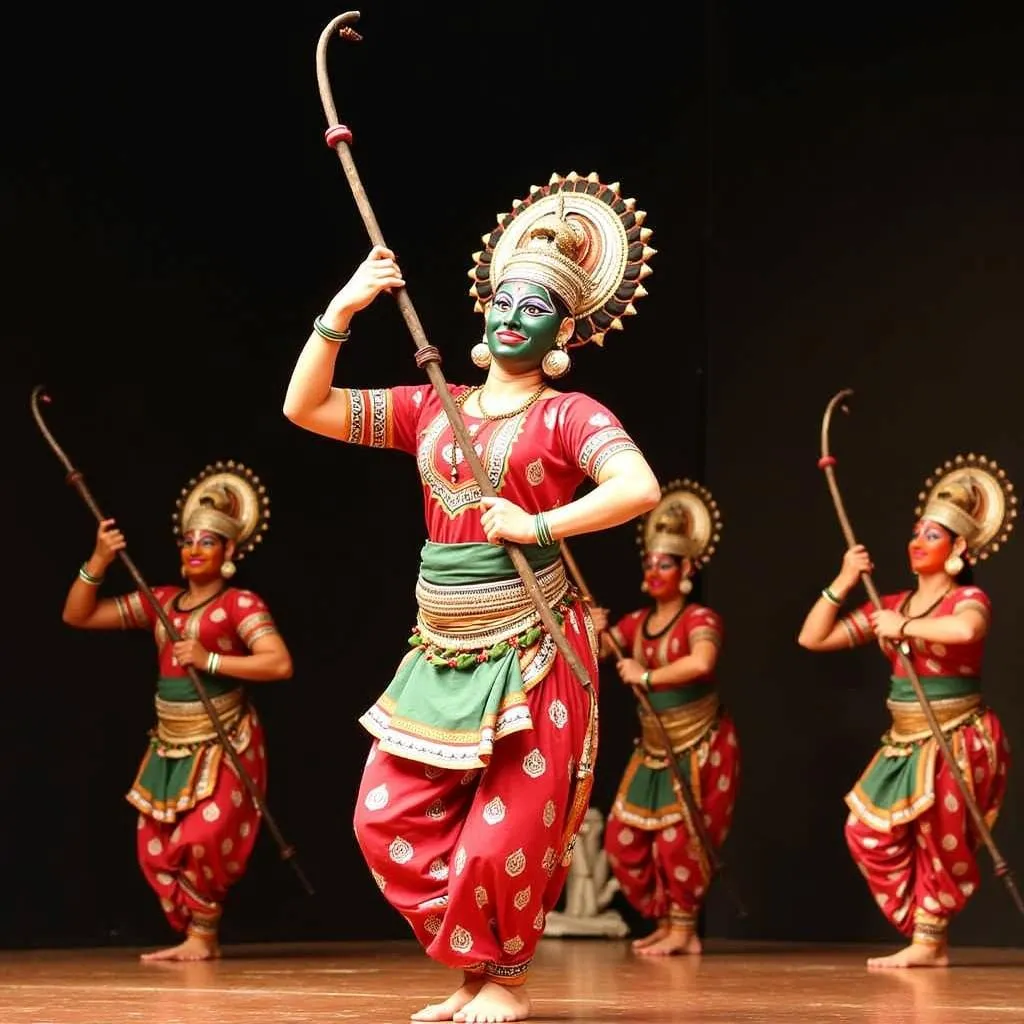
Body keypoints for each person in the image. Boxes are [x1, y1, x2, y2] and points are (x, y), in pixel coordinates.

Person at [283, 171, 661, 1022]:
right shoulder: (431, 409)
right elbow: (304, 407)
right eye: (502, 300)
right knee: (383, 821)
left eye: (534, 308)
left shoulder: (571, 415)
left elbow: (637, 487)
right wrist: (343, 309)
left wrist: (537, 526)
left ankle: (499, 982)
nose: (510, 316)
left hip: (535, 647)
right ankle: (475, 969)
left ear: (563, 330)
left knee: (502, 836)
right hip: (443, 647)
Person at [62, 461, 293, 961]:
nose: (194, 550)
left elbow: (278, 664)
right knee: (153, 843)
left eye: (207, 542)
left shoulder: (240, 606)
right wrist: (99, 560)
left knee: (205, 835)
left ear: (229, 551)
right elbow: (78, 614)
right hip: (169, 741)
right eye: (188, 541)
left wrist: (209, 658)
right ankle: (192, 934)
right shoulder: (159, 601)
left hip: (225, 737)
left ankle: (203, 937)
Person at [797, 453, 1016, 968]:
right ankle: (924, 929)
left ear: (959, 546)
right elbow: (813, 637)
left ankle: (928, 939)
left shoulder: (968, 598)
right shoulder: (887, 603)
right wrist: (845, 580)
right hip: (905, 739)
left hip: (957, 735)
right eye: (916, 532)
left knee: (940, 838)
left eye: (933, 535)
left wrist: (905, 628)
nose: (917, 542)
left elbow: (966, 632)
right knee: (865, 830)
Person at [588, 478, 738, 956]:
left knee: (681, 841)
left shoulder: (700, 620)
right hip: (653, 746)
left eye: (665, 564)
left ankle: (684, 929)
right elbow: (598, 652)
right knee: (623, 839)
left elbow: (702, 664)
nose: (654, 572)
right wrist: (592, 629)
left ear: (688, 567)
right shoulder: (635, 624)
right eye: (649, 563)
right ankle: (664, 921)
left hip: (700, 743)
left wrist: (647, 678)